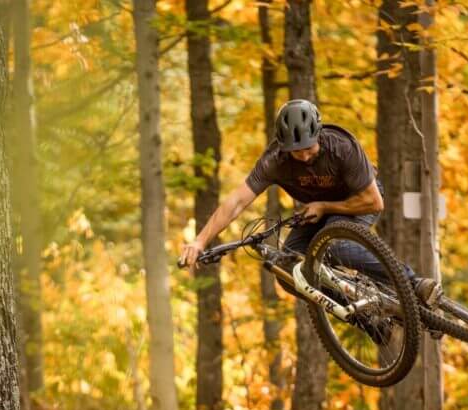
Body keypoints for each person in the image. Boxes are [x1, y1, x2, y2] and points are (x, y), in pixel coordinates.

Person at [179, 98, 443, 308]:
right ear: (283, 147)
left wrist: (326, 207)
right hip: (318, 210)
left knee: (336, 244)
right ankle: (365, 315)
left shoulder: (341, 147)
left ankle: (414, 284)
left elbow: (374, 203)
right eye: (296, 151)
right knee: (289, 271)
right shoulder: (274, 162)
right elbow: (237, 201)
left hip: (358, 201)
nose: (304, 156)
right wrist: (200, 241)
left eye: (309, 148)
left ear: (318, 135)